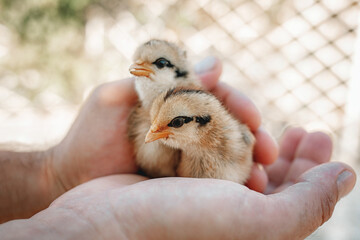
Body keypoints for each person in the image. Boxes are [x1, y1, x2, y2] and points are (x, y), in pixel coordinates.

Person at [0, 58, 356, 239]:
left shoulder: (235, 140)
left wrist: (56, 180)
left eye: (172, 124)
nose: (155, 132)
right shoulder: (178, 150)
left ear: (203, 123)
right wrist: (58, 178)